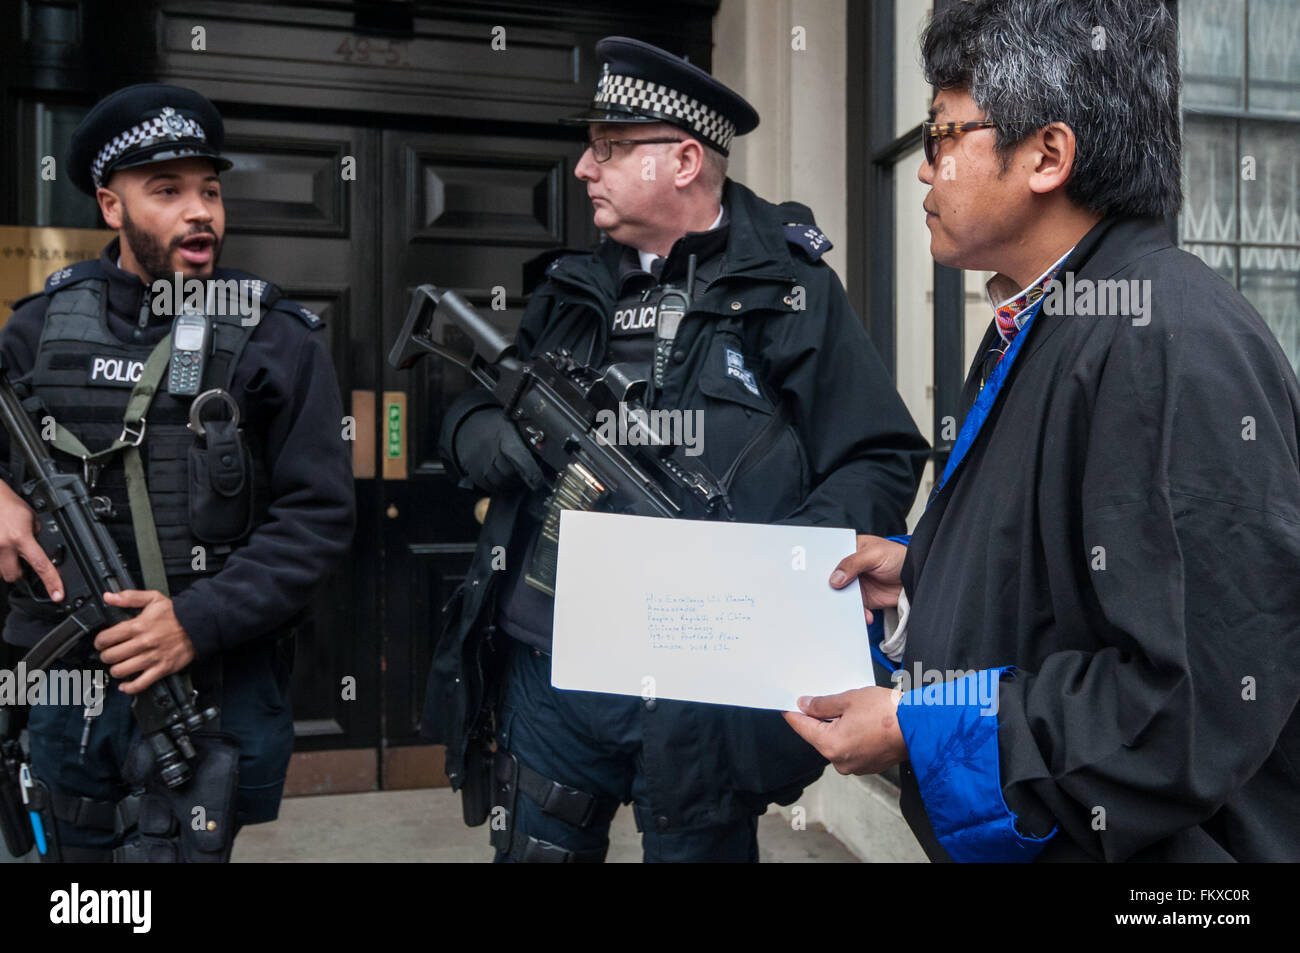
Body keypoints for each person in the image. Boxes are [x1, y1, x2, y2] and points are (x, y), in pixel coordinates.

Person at [785, 0, 1300, 862]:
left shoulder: (1169, 340)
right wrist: (924, 575)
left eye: (945, 134)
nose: (925, 169)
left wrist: (920, 725)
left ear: (1048, 155)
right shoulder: (1041, 316)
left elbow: (1186, 703)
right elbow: (1090, 576)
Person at [424, 36, 929, 863]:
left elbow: (877, 455)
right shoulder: (570, 287)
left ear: (685, 159)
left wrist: (777, 573)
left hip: (704, 684)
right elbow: (474, 406)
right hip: (555, 668)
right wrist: (485, 437)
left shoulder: (790, 290)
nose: (585, 168)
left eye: (610, 148)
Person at [0, 83, 355, 862]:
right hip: (62, 699)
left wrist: (196, 620)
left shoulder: (278, 342)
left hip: (203, 694)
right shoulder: (33, 331)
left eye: (210, 190)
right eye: (167, 191)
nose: (201, 212)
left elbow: (317, 519)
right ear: (111, 205)